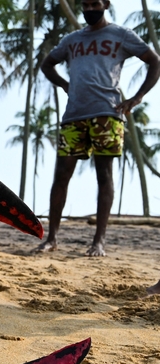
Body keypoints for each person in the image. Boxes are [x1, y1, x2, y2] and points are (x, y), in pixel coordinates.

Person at [38, 0, 160, 257]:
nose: (90, 9)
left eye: (95, 3)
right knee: (61, 175)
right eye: (85, 4)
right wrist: (64, 84)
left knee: (104, 176)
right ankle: (51, 238)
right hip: (74, 116)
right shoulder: (72, 40)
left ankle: (99, 242)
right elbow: (47, 64)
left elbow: (154, 61)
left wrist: (136, 99)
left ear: (105, 4)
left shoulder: (121, 35)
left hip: (107, 113)